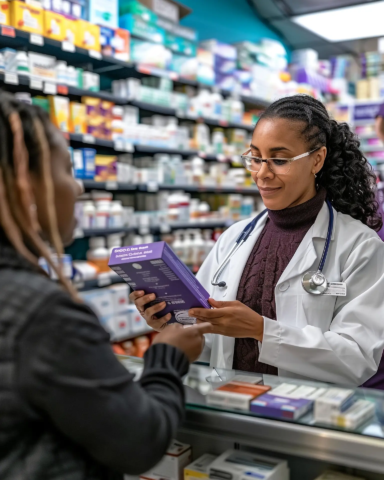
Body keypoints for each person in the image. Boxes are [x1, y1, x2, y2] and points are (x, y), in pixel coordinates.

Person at [0, 92, 209, 479]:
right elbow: (139, 442)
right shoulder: (43, 314)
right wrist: (167, 357)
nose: (78, 189)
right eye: (67, 169)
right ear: (25, 184)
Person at [133, 94, 384, 388]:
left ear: (317, 159)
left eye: (278, 159)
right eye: (255, 158)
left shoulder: (360, 247)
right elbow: (210, 343)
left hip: (307, 421)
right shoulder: (233, 240)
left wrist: (262, 330)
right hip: (231, 409)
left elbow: (357, 358)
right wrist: (171, 324)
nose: (262, 174)